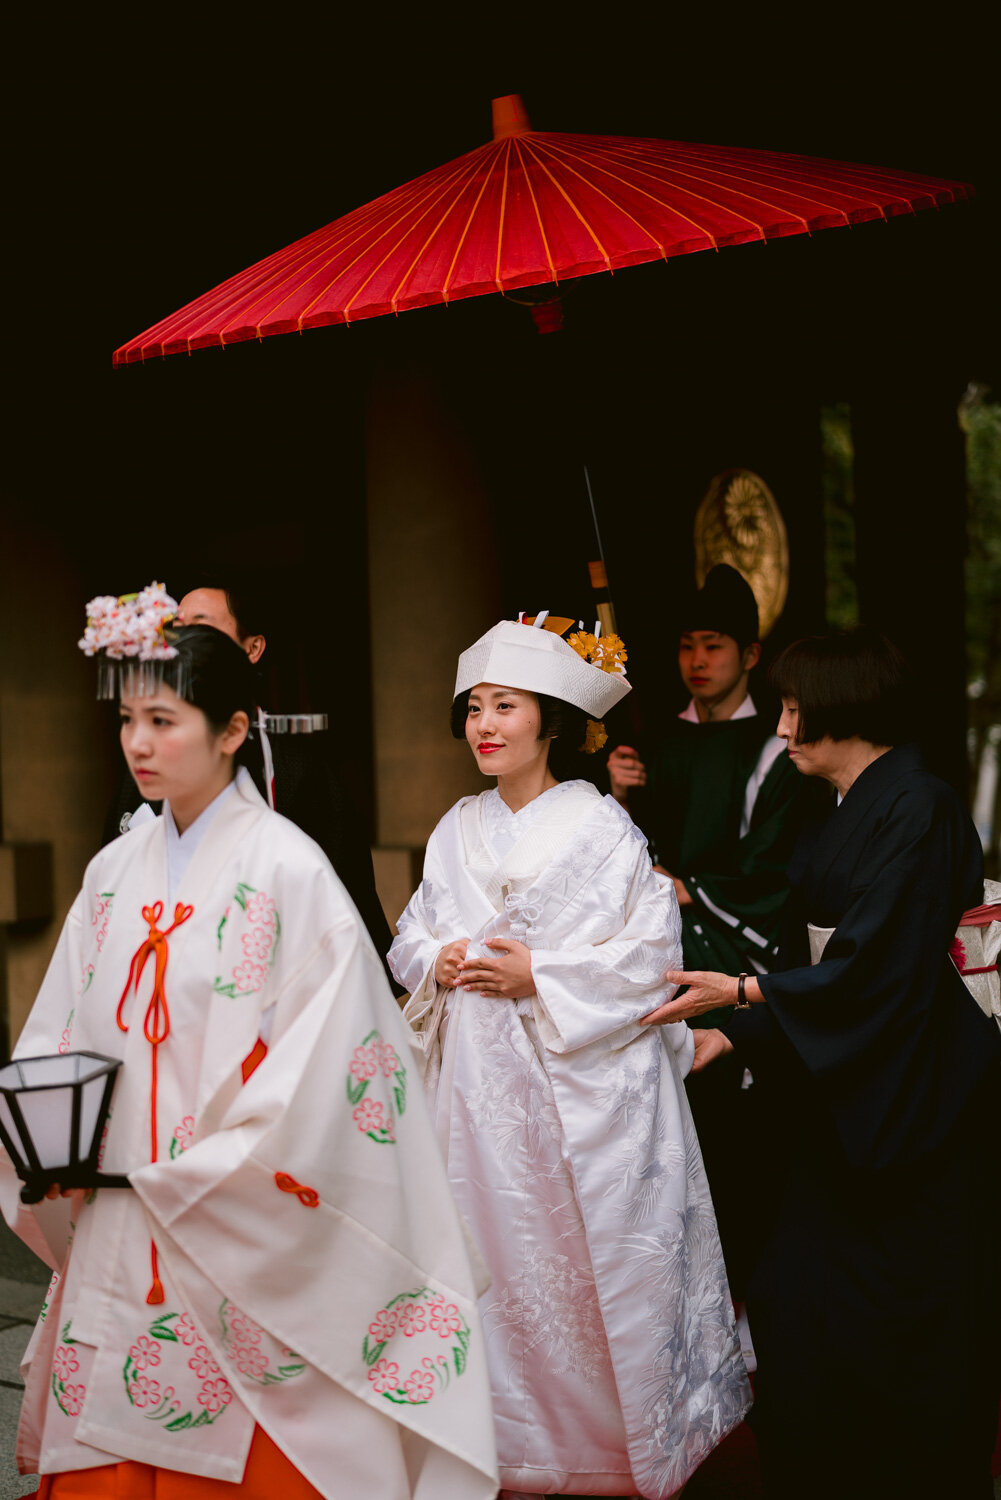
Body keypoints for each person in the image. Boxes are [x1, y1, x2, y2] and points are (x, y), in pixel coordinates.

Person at [0, 587, 498, 1500]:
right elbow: (61, 1030)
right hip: (119, 1212)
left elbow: (331, 1073)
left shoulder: (288, 868)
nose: (139, 744)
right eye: (127, 720)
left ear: (233, 730)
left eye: (164, 719)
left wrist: (193, 1173)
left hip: (235, 1216)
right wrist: (47, 1140)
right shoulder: (113, 873)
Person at [389, 615, 750, 1500]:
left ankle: (599, 1445)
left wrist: (541, 976)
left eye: (504, 707)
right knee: (482, 1252)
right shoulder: (453, 827)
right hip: (472, 1087)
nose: (484, 725)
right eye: (474, 708)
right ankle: (492, 1437)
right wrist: (434, 957)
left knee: (572, 1264)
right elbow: (412, 929)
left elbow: (647, 956)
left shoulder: (602, 830)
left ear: (549, 720)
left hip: (573, 1085)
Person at [641, 626, 1001, 1500]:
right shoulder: (841, 806)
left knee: (905, 1325)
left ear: (841, 711)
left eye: (795, 709)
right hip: (845, 1095)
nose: (781, 727)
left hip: (917, 1106)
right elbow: (819, 965)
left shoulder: (920, 806)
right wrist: (741, 1032)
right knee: (797, 1307)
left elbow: (878, 966)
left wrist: (742, 999)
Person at [608, 565, 815, 1294]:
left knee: (742, 1141)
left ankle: (750, 1302)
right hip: (665, 949)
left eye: (714, 646)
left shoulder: (779, 744)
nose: (696, 661)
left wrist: (690, 890)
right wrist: (621, 795)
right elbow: (629, 857)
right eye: (685, 646)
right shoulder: (654, 740)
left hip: (736, 948)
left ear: (750, 655)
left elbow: (773, 867)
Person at [101, 576, 396, 976]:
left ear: (252, 647)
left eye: (200, 626)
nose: (182, 641)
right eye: (176, 627)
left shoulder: (297, 769)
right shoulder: (149, 762)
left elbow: (343, 896)